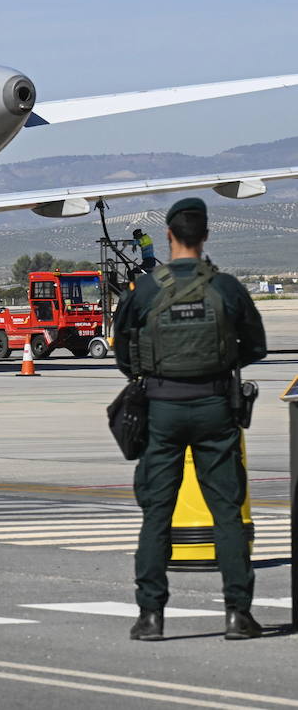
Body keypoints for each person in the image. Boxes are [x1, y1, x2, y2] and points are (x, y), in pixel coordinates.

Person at [114, 197, 267, 642]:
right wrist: (216, 367)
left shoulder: (146, 290)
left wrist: (155, 377)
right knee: (226, 513)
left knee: (157, 513)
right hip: (216, 407)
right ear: (205, 237)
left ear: (168, 235)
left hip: (161, 408)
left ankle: (150, 617)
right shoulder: (226, 287)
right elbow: (255, 347)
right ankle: (238, 615)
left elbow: (123, 351)